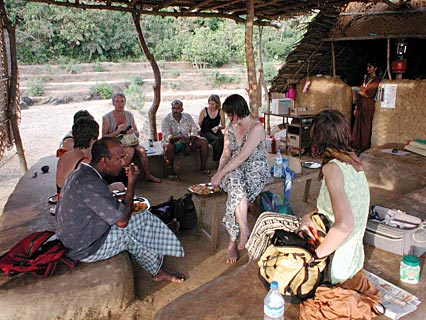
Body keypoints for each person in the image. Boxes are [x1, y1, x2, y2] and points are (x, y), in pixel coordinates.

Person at [56, 138, 186, 282]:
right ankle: (159, 266)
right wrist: (131, 183)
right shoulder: (91, 183)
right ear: (104, 161)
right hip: (84, 248)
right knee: (134, 228)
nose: (124, 162)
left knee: (139, 218)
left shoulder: (80, 173)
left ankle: (160, 253)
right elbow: (122, 221)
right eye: (119, 158)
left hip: (72, 239)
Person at [299, 109, 369, 285]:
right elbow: (340, 206)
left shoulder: (332, 169)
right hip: (354, 260)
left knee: (269, 223)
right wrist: (309, 216)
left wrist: (316, 257)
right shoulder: (354, 162)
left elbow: (345, 225)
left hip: (336, 267)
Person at [210, 94, 269, 264]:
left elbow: (242, 156)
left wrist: (221, 175)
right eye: (228, 115)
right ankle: (244, 230)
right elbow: (226, 154)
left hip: (255, 169)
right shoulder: (230, 127)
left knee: (236, 189)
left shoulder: (256, 127)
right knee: (236, 184)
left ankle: (232, 241)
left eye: (231, 114)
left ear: (240, 110)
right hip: (235, 168)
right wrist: (218, 174)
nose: (229, 118)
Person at [102, 93, 161, 183]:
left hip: (130, 141)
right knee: (130, 151)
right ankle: (124, 178)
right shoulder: (107, 117)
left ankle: (147, 174)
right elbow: (103, 136)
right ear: (113, 103)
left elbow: (137, 133)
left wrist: (132, 131)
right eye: (117, 102)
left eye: (122, 101)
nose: (120, 104)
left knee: (142, 150)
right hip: (116, 143)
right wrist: (117, 132)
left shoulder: (129, 115)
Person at [161, 99, 211, 180]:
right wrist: (180, 137)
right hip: (173, 142)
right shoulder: (166, 120)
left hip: (186, 141)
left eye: (177, 108)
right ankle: (171, 173)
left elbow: (195, 130)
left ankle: (203, 169)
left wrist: (189, 144)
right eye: (173, 108)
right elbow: (167, 137)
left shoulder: (187, 117)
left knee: (204, 142)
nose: (175, 110)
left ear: (182, 109)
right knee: (168, 146)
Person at [56, 117, 100, 200]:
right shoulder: (84, 163)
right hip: (73, 204)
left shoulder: (65, 155)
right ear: (92, 139)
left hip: (61, 202)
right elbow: (94, 191)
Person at [351, 61, 380, 154]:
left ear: (375, 68)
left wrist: (361, 91)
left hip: (368, 105)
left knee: (366, 126)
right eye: (367, 67)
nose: (368, 69)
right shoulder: (366, 78)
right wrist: (356, 106)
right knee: (358, 125)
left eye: (370, 67)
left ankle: (364, 147)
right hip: (361, 104)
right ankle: (357, 145)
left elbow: (370, 93)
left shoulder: (376, 80)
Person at [198, 94, 225, 161]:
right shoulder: (204, 110)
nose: (211, 106)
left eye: (213, 104)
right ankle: (217, 159)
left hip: (216, 131)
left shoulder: (220, 111)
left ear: (217, 104)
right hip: (206, 131)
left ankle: (225, 158)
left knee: (223, 138)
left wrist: (218, 128)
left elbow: (223, 125)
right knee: (217, 140)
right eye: (210, 104)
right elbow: (199, 123)